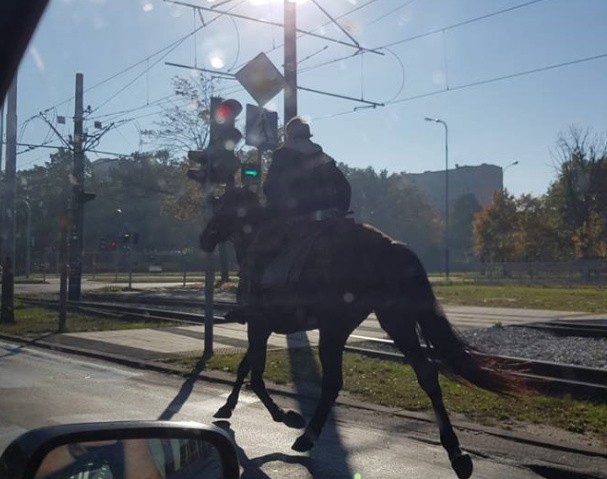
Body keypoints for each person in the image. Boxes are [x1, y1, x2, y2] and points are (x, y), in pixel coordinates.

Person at [229, 117, 352, 322]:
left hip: (297, 219)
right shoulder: (324, 158)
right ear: (308, 134)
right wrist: (338, 211)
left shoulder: (283, 154)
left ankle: (252, 304)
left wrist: (273, 212)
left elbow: (272, 188)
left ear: (289, 135)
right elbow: (344, 187)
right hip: (332, 219)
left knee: (256, 252)